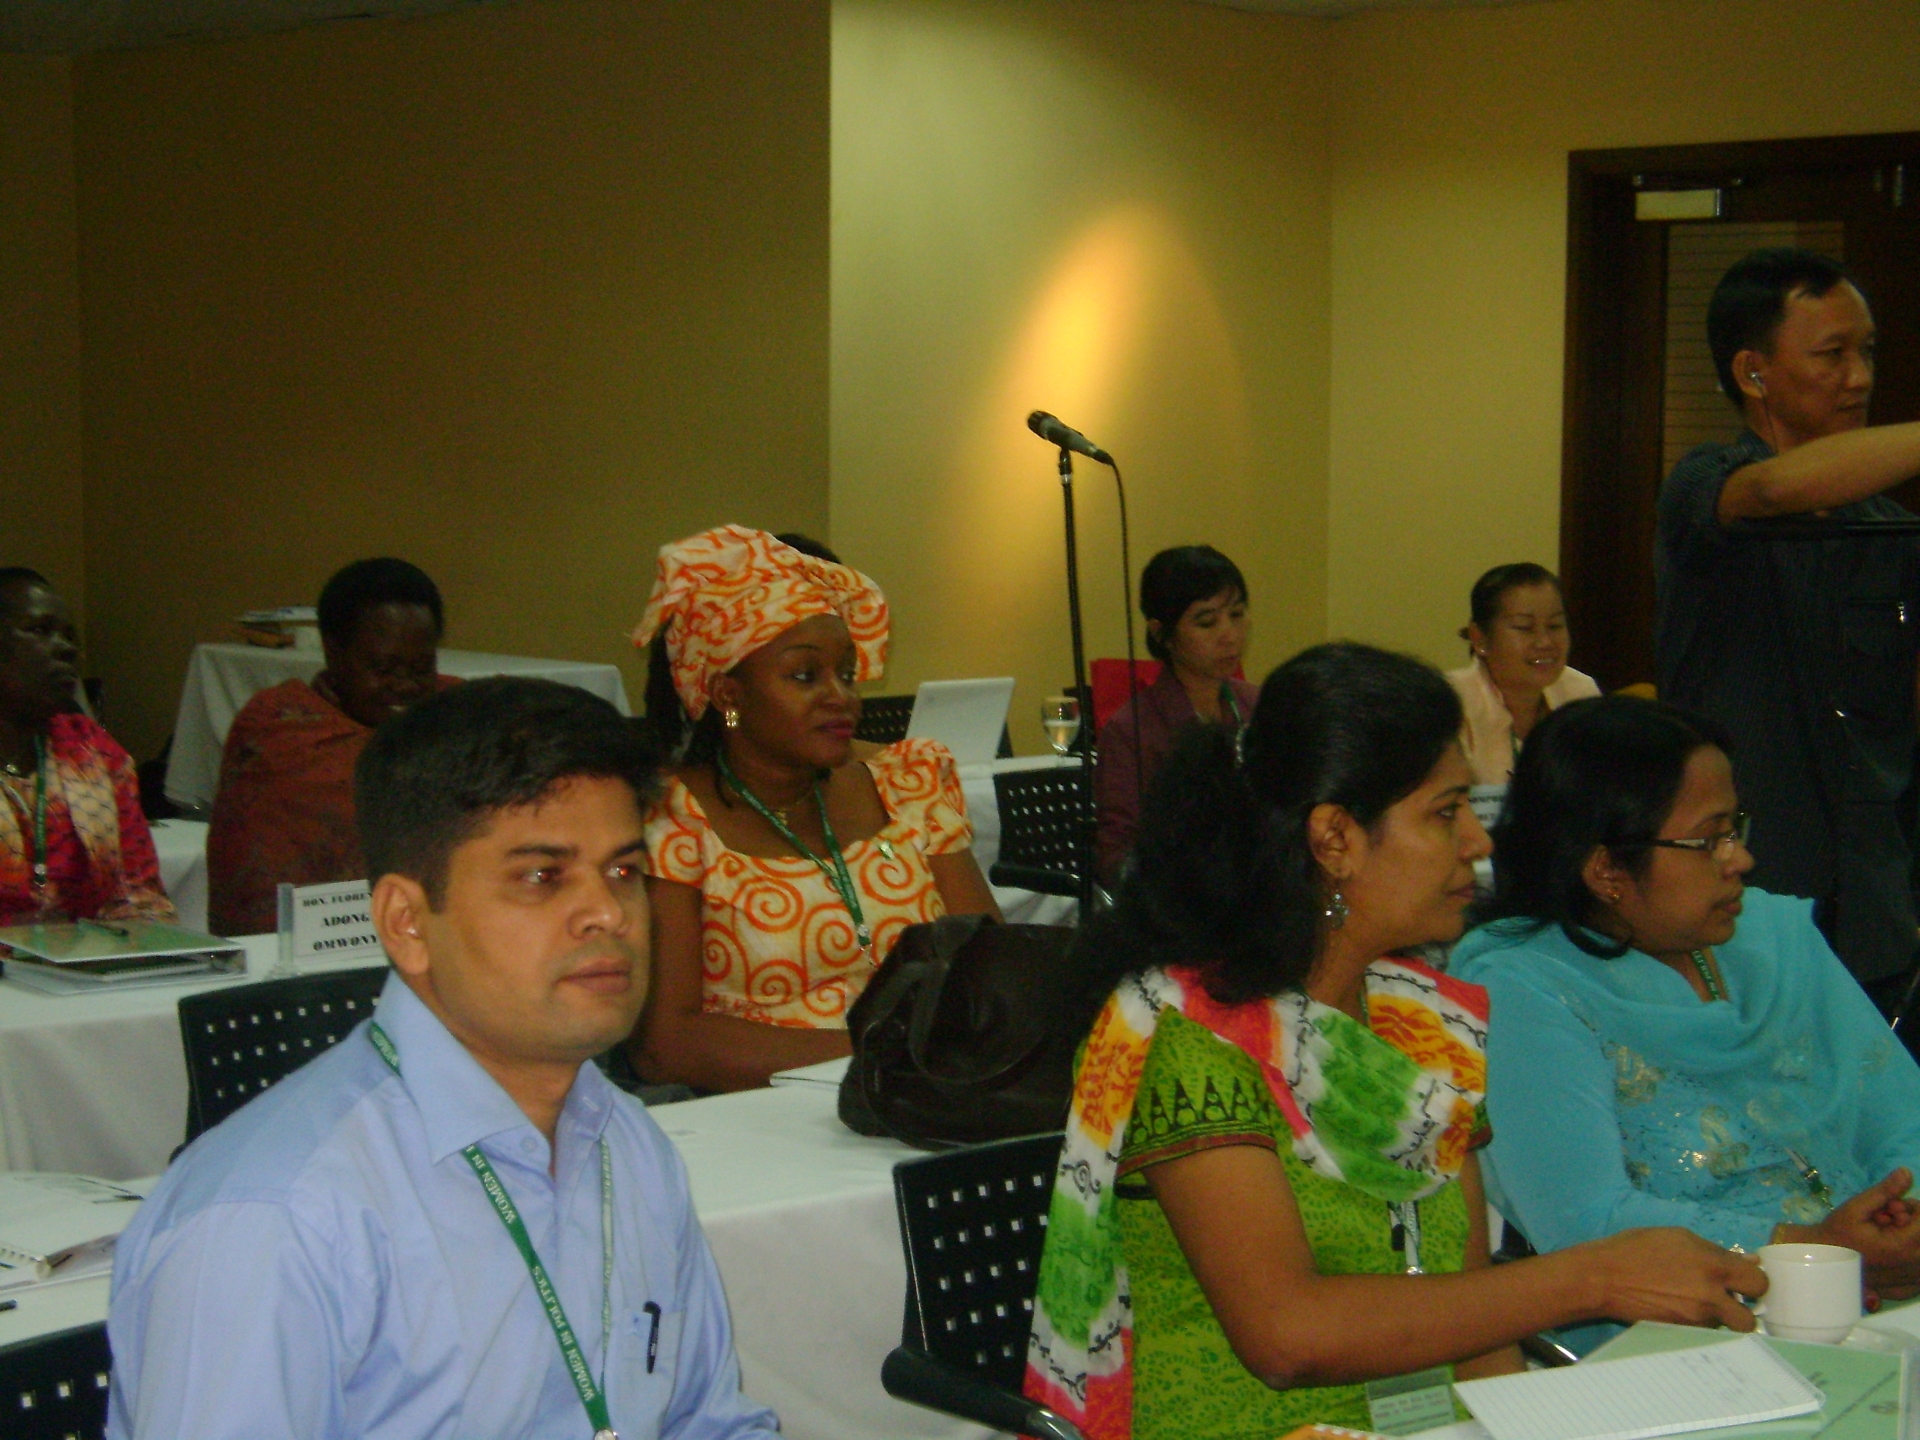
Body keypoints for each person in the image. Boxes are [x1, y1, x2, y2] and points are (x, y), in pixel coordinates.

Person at [1025, 643, 1766, 1440]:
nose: (1477, 844)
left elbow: (1474, 1317)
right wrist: (1592, 1278)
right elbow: (1287, 1335)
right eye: (1445, 814)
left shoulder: (1424, 1023)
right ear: (1336, 838)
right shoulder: (1188, 1033)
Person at [108, 677, 780, 1440]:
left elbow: (709, 1421)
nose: (607, 912)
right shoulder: (272, 1220)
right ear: (406, 922)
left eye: (623, 870)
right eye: (541, 876)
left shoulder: (625, 1141)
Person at [1452, 695, 1920, 1350]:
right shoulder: (1525, 989)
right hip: (1686, 1341)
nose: (1739, 860)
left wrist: (1904, 1221)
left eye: (1737, 829)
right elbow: (1589, 1220)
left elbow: (1901, 1112)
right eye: (1709, 839)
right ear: (1607, 869)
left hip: (1882, 1302)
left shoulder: (1770, 937)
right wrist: (1813, 1251)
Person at [628, 525, 999, 1092]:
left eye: (846, 673)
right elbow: (667, 1046)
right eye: (805, 676)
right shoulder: (672, 815)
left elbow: (992, 964)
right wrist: (883, 1052)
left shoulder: (909, 782)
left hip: (932, 1092)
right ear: (729, 695)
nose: (842, 696)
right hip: (762, 1115)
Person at [1657, 247, 1920, 990]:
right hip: (1738, 893)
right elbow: (1772, 493)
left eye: (1867, 352)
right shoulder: (1705, 489)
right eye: (1832, 355)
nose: (1860, 378)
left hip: (1875, 900)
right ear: (1752, 372)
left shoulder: (1893, 531)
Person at [206, 558, 452, 935]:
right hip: (305, 948)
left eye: (421, 670)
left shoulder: (459, 717)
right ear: (333, 651)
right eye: (384, 669)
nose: (404, 687)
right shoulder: (280, 731)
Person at [0, 567, 173, 927]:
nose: (66, 649)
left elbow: (139, 895)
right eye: (39, 630)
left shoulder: (91, 751)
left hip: (82, 970)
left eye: (69, 637)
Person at [1094, 545, 1257, 883]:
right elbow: (1116, 855)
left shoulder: (1257, 705)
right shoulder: (1132, 729)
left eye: (1237, 614)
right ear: (1161, 633)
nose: (1230, 635)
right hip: (1182, 901)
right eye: (1207, 622)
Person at [1446, 562, 1599, 787]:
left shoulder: (1580, 692)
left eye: (1555, 626)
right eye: (1525, 628)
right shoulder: (1452, 703)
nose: (1545, 642)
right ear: (1479, 639)